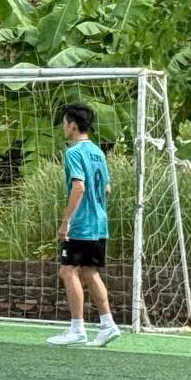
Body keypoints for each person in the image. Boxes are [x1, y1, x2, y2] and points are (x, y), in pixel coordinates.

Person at [47, 104, 121, 347]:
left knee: (67, 271)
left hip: (82, 224)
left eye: (64, 123)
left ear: (72, 125)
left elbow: (79, 186)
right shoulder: (98, 152)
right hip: (100, 222)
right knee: (89, 272)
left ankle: (77, 329)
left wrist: (66, 221)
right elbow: (106, 188)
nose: (63, 127)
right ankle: (108, 325)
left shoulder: (73, 153)